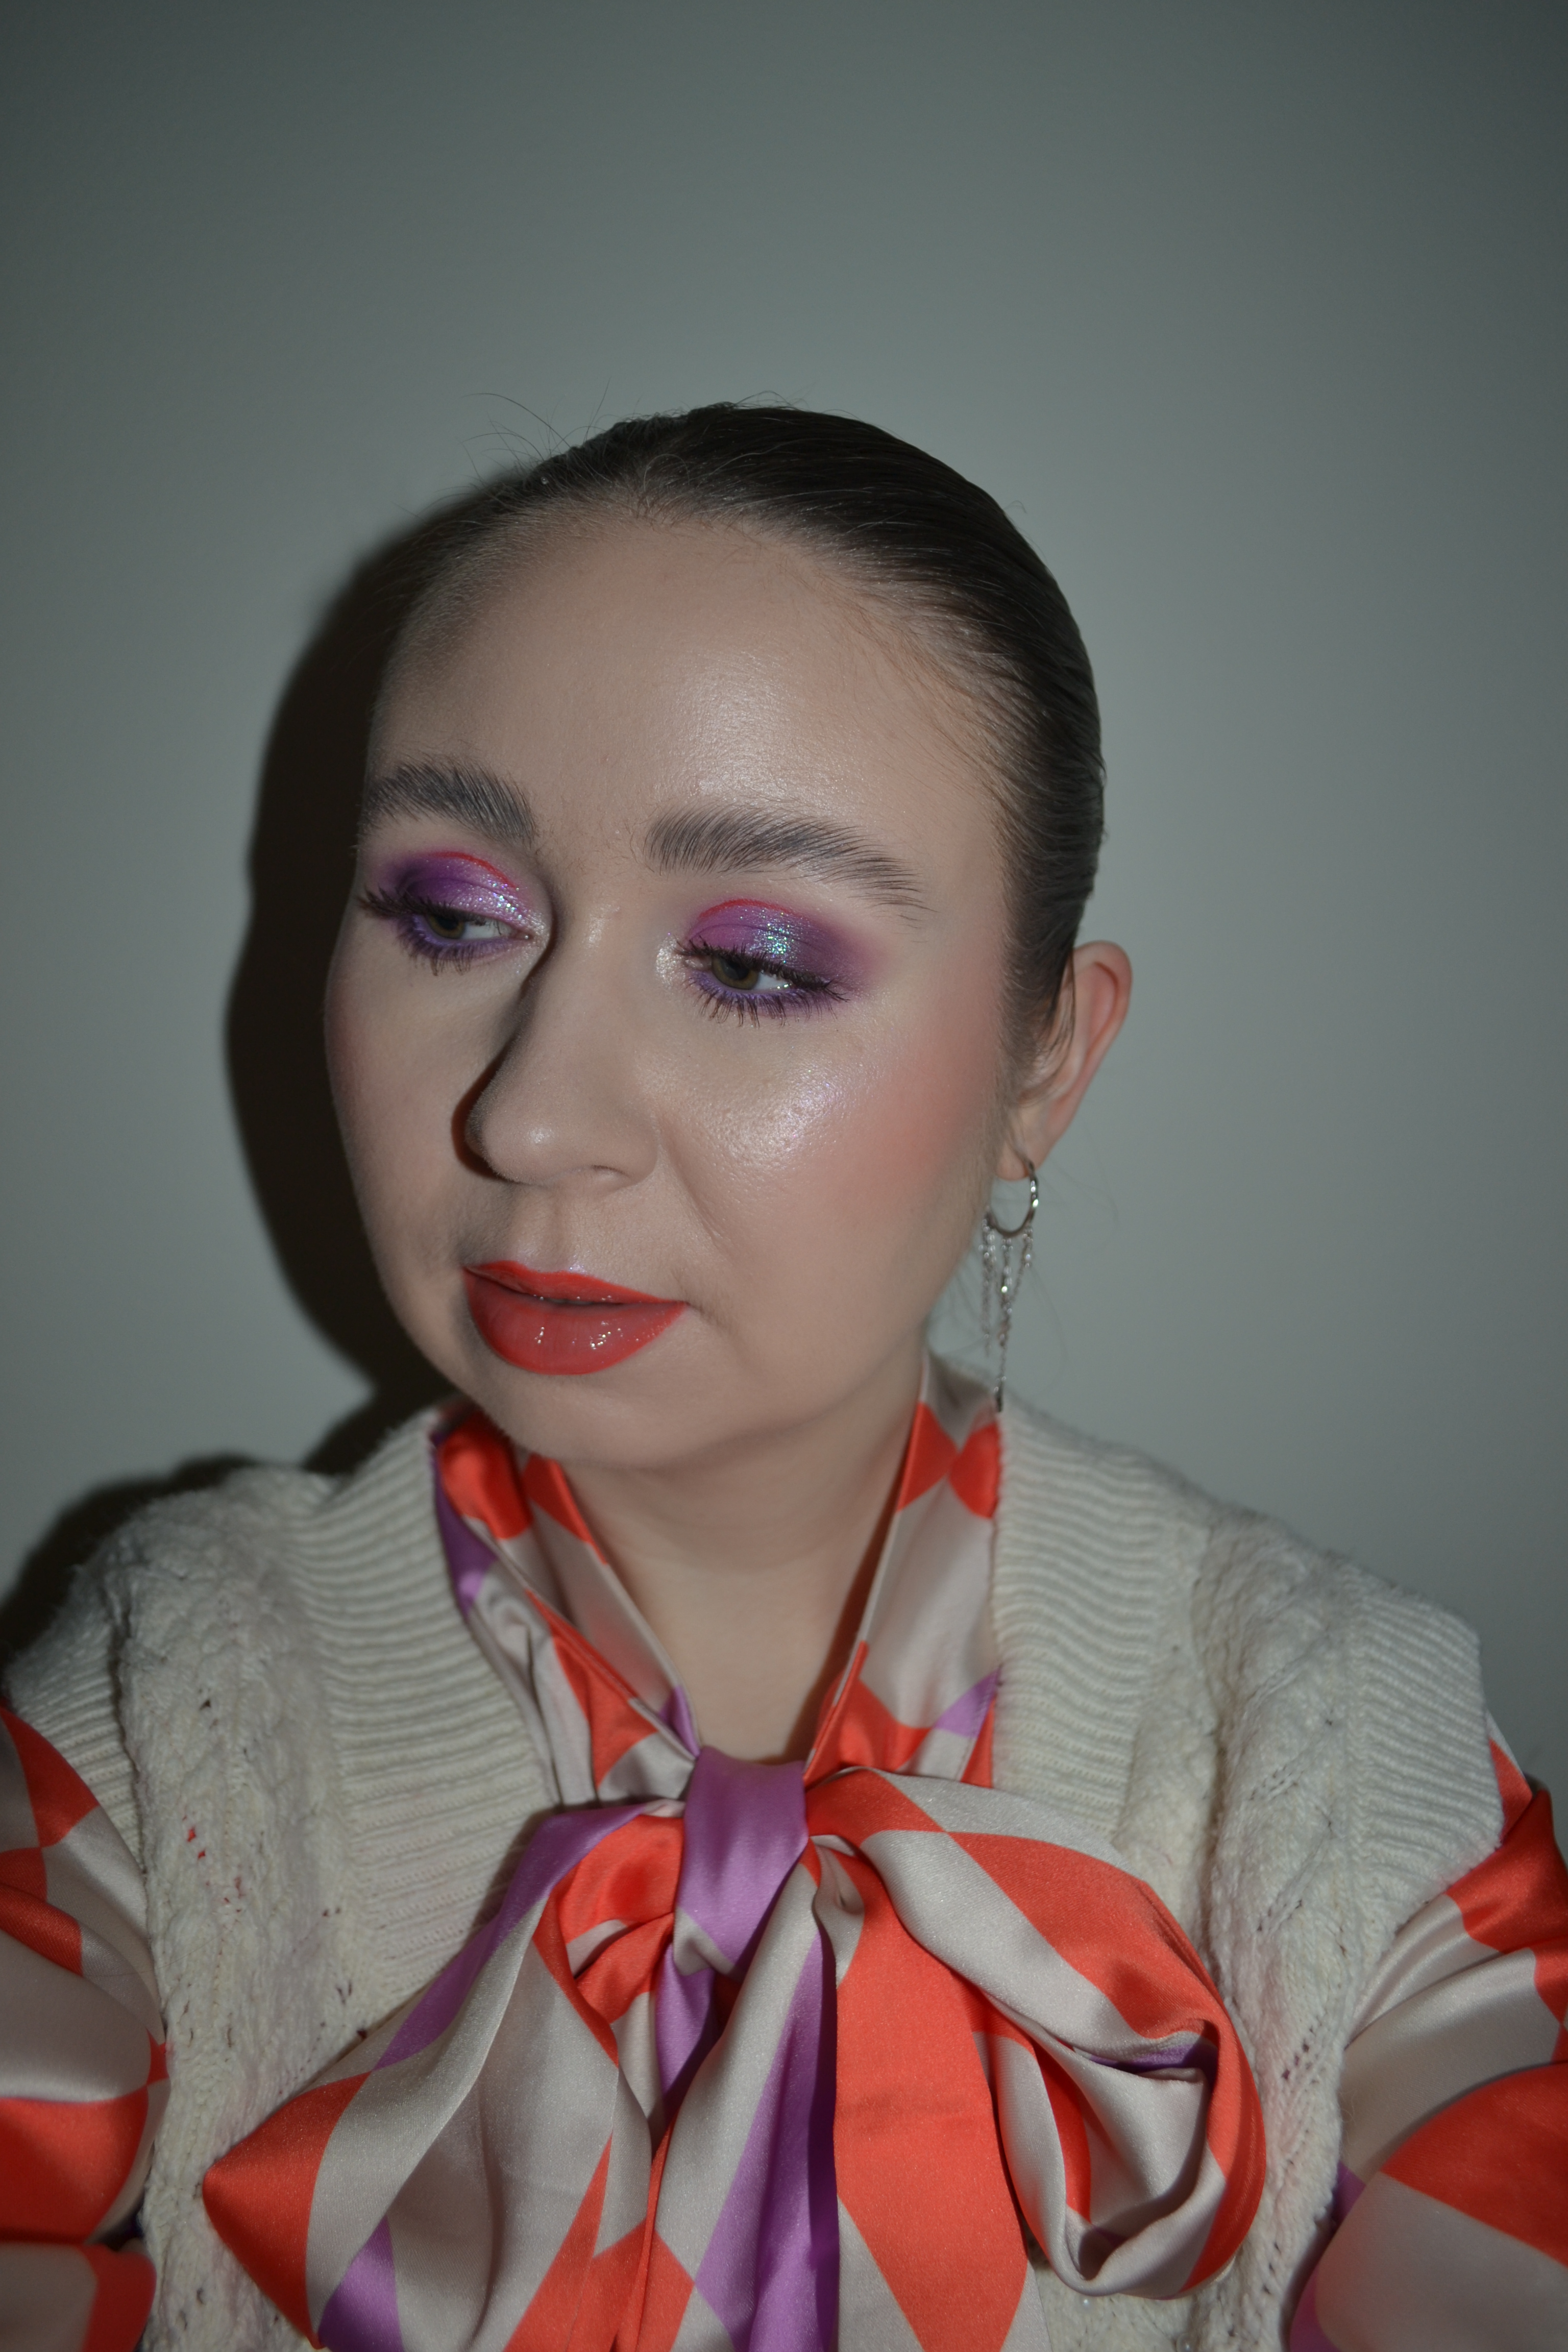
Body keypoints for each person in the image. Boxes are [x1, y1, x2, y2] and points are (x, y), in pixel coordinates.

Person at [2, 406, 1563, 2352]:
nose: (532, 1117)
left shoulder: (1347, 1768)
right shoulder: (154, 1722)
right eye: (451, 915)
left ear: (1049, 1061)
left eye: (751, 963)